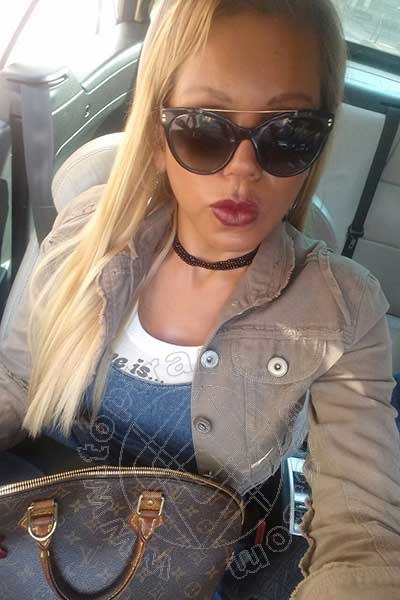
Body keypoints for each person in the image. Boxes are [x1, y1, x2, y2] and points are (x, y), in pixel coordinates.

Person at [1, 1, 400, 598]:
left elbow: (363, 530)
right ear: (157, 136)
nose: (243, 169)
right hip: (43, 536)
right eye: (204, 128)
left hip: (190, 567)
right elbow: (14, 381)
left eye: (288, 134)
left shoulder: (344, 309)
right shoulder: (87, 233)